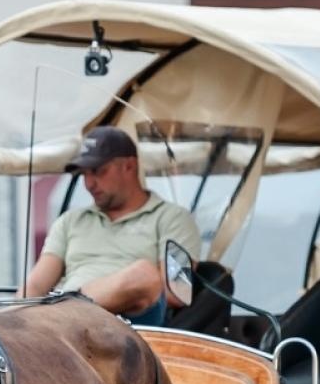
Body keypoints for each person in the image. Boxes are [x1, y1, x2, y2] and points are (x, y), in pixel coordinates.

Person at [23, 126, 202, 326]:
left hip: (130, 326)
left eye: (98, 171)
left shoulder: (172, 218)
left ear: (129, 166)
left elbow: (176, 292)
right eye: (84, 174)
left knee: (144, 274)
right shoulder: (70, 221)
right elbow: (36, 284)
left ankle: (61, 315)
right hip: (64, 328)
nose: (89, 183)